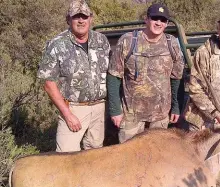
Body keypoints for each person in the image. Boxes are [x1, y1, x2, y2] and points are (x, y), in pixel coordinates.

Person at [37, 0, 110, 152]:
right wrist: (67, 114)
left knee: (95, 154)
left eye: (84, 16)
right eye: (76, 17)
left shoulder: (101, 40)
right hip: (74, 108)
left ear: (91, 18)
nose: (81, 20)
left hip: (99, 107)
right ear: (68, 19)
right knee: (66, 155)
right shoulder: (57, 44)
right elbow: (49, 84)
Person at [107, 3, 184, 143]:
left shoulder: (172, 43)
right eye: (155, 18)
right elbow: (114, 76)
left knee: (157, 156)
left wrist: (176, 107)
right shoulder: (128, 41)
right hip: (131, 115)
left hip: (160, 115)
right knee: (130, 157)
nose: (158, 23)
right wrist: (115, 110)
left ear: (166, 24)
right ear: (146, 19)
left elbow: (177, 78)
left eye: (163, 20)